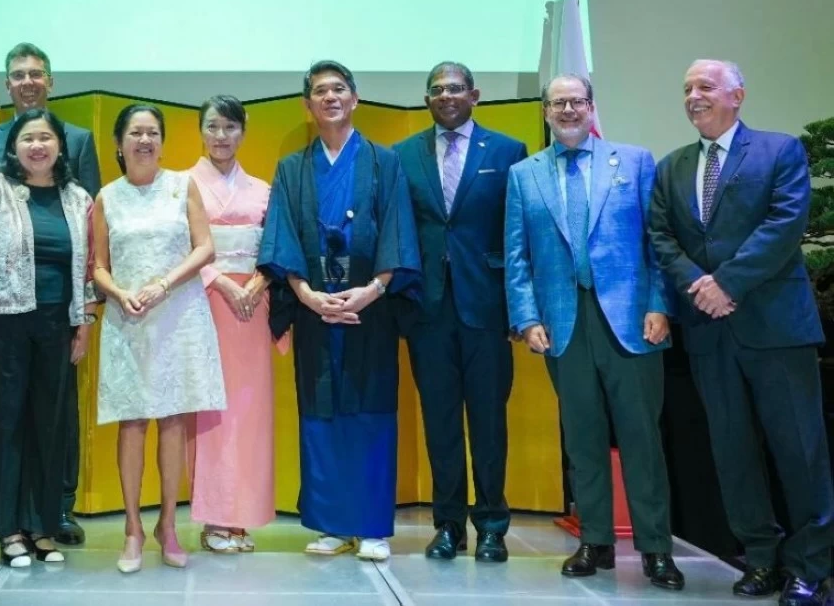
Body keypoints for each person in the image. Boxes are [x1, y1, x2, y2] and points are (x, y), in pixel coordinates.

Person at [649, 60, 833, 606]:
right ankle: (761, 559)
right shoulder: (672, 167)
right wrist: (699, 287)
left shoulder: (779, 151)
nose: (693, 96)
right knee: (732, 453)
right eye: (686, 88)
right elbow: (661, 236)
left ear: (738, 96)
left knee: (800, 452)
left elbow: (785, 223)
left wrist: (726, 283)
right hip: (709, 334)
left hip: (775, 328)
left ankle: (811, 569)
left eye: (705, 86)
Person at [505, 74, 683, 591]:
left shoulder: (633, 161)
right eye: (557, 102)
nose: (567, 109)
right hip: (563, 323)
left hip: (631, 322)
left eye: (576, 101)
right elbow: (516, 255)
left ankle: (655, 549)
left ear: (591, 107)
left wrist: (658, 304)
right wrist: (526, 317)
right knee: (582, 439)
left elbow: (657, 242)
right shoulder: (524, 175)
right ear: (545, 110)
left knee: (641, 439)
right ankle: (596, 541)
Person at [259, 60, 421, 563]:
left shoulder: (383, 161)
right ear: (307, 106)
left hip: (369, 309)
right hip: (314, 310)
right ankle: (331, 523)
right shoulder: (291, 169)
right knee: (320, 412)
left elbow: (398, 230)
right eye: (319, 92)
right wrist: (306, 294)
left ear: (354, 99)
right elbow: (281, 237)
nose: (330, 97)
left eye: (339, 89)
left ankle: (371, 525)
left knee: (370, 410)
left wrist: (372, 290)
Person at [0, 108, 96, 568]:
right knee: (3, 425)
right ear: (13, 147)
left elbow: (91, 266)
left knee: (48, 429)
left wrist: (84, 324)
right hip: (2, 322)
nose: (37, 145)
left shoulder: (78, 199)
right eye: (28, 138)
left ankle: (42, 526)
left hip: (57, 326)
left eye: (46, 138)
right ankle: (7, 529)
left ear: (59, 147)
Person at [394, 62, 527, 563]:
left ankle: (492, 525)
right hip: (426, 310)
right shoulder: (402, 155)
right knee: (441, 422)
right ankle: (447, 525)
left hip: (488, 310)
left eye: (455, 88)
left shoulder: (510, 152)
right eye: (436, 90)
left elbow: (518, 237)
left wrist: (520, 308)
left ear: (475, 94)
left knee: (490, 422)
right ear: (427, 99)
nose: (446, 96)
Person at [92, 104, 224, 573]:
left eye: (152, 133)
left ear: (163, 142)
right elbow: (98, 266)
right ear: (120, 143)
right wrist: (119, 292)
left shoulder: (180, 185)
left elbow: (205, 246)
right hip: (128, 318)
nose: (144, 140)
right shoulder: (107, 196)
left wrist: (165, 283)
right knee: (132, 422)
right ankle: (132, 528)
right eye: (135, 133)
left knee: (172, 421)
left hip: (179, 314)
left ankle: (168, 526)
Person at [188, 96, 275, 553]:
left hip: (252, 306)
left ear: (243, 132)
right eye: (213, 127)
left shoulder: (263, 189)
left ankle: (241, 516)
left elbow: (275, 245)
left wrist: (258, 283)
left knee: (249, 410)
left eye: (230, 127)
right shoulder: (182, 185)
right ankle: (214, 517)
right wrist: (222, 282)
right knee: (211, 412)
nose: (221, 136)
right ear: (200, 131)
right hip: (203, 301)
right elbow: (179, 247)